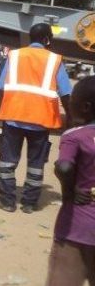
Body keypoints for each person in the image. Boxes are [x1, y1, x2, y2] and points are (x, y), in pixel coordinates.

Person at [0, 23, 72, 214]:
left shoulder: (15, 55)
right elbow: (66, 93)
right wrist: (71, 118)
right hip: (41, 120)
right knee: (36, 165)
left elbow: (0, 86)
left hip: (13, 117)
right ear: (47, 39)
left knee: (7, 162)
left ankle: (7, 202)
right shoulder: (55, 60)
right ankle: (29, 203)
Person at [46, 76, 95, 285]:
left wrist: (69, 192)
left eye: (72, 101)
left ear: (85, 107)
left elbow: (64, 166)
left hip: (77, 227)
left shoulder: (75, 136)